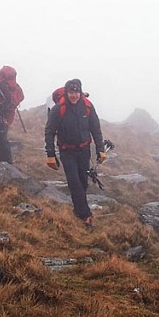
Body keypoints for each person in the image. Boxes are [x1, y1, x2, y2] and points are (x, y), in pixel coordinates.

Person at [44, 78, 106, 226]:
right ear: (66, 93)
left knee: (83, 182)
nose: (74, 95)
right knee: (74, 182)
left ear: (80, 92)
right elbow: (49, 132)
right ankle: (85, 215)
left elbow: (95, 129)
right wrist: (50, 154)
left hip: (84, 150)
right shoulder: (59, 109)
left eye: (76, 92)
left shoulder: (88, 107)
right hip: (67, 152)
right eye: (71, 92)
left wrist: (100, 149)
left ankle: (78, 209)